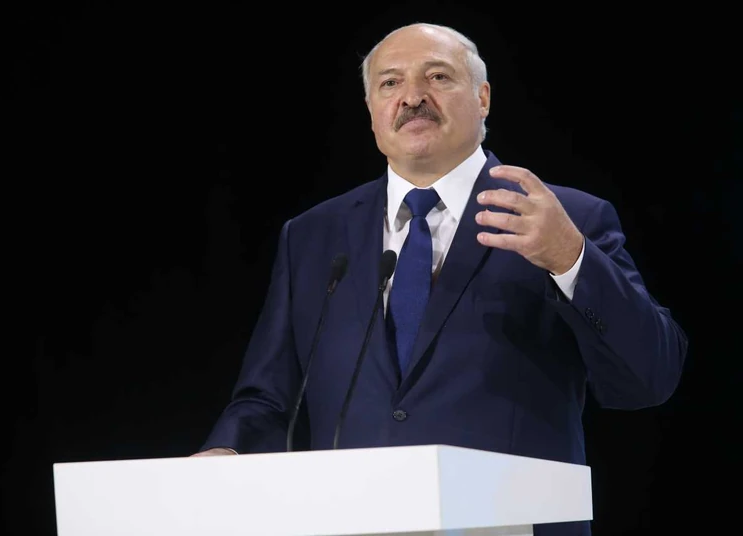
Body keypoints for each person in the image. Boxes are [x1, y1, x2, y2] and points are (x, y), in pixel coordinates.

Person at [192, 22, 688, 536]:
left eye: (437, 76)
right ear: (371, 110)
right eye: (390, 83)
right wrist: (227, 451)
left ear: (483, 98)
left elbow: (650, 377)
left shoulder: (563, 219)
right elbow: (270, 396)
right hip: (351, 521)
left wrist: (570, 257)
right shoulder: (313, 235)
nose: (412, 97)